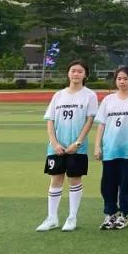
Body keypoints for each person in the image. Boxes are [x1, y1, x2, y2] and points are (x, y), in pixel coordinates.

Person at [37, 60, 97, 232]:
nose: (76, 74)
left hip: (77, 147)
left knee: (74, 179)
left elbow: (89, 120)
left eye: (79, 71)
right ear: (68, 73)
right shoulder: (59, 95)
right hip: (56, 147)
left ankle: (72, 217)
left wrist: (77, 143)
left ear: (85, 75)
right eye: (73, 71)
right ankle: (52, 218)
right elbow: (50, 120)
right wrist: (54, 143)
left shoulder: (89, 95)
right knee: (55, 179)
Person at [94, 66, 128, 230]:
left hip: (127, 150)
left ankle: (124, 214)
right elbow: (101, 125)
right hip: (110, 148)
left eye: (125, 78)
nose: (122, 81)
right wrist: (98, 146)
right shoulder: (108, 100)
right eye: (119, 78)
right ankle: (110, 213)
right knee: (107, 184)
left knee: (125, 183)